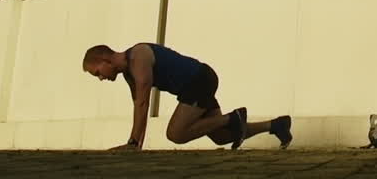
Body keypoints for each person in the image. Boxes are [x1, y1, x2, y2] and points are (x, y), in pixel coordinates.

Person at [82, 43, 291, 150]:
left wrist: (132, 144)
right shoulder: (129, 74)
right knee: (221, 136)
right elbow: (140, 109)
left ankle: (232, 117)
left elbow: (143, 104)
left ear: (105, 59)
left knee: (176, 134)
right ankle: (276, 125)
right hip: (195, 84)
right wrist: (136, 146)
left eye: (97, 72)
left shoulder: (138, 56)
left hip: (199, 80)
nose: (100, 78)